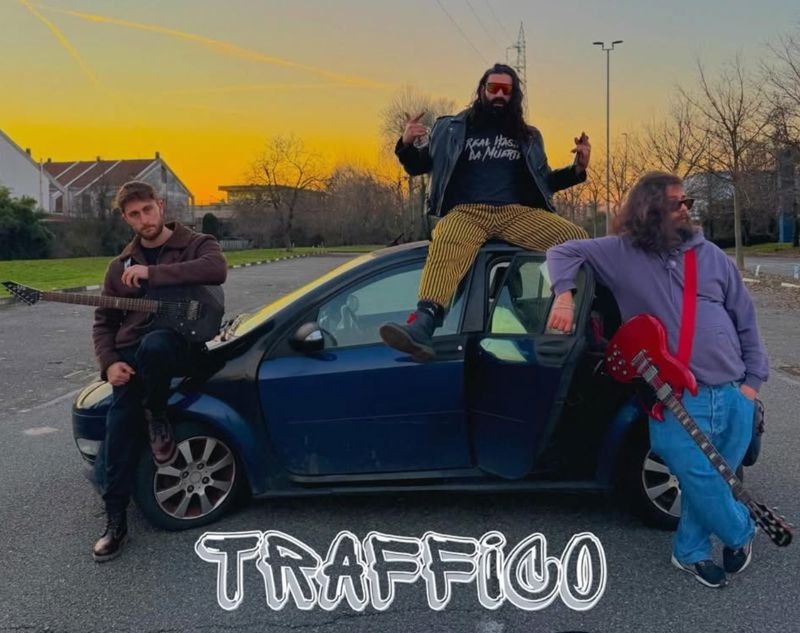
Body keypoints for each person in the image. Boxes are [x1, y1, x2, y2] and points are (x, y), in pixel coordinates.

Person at [545, 171, 769, 588]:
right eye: (676, 202)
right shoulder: (621, 254)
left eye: (688, 202)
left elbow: (745, 319)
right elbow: (561, 251)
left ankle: (689, 552)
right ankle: (741, 530)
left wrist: (751, 383)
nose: (686, 210)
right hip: (676, 394)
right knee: (697, 473)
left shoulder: (711, 257)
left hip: (734, 390)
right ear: (649, 209)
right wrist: (563, 295)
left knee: (714, 479)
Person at [379, 63, 591, 360]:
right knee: (448, 238)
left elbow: (545, 182)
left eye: (506, 90)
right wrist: (405, 143)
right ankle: (423, 325)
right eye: (493, 88)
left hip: (515, 214)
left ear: (514, 95)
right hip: (468, 212)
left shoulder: (529, 137)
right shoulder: (450, 129)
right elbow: (418, 166)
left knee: (575, 238)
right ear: (482, 91)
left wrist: (577, 169)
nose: (499, 95)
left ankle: (575, 314)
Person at [91, 180, 227, 562]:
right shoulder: (119, 267)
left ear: (160, 207)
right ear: (126, 219)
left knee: (156, 345)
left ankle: (156, 413)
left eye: (147, 210)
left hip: (181, 348)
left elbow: (216, 269)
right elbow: (104, 321)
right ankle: (115, 520)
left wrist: (152, 274)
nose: (143, 219)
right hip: (134, 355)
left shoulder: (196, 243)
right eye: (134, 215)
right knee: (119, 421)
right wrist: (109, 363)